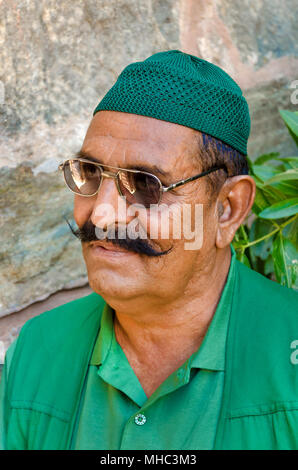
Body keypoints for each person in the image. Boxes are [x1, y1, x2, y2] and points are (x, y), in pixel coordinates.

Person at [0, 50, 297, 450]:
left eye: (145, 184)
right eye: (89, 173)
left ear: (227, 210)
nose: (102, 213)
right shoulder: (40, 349)